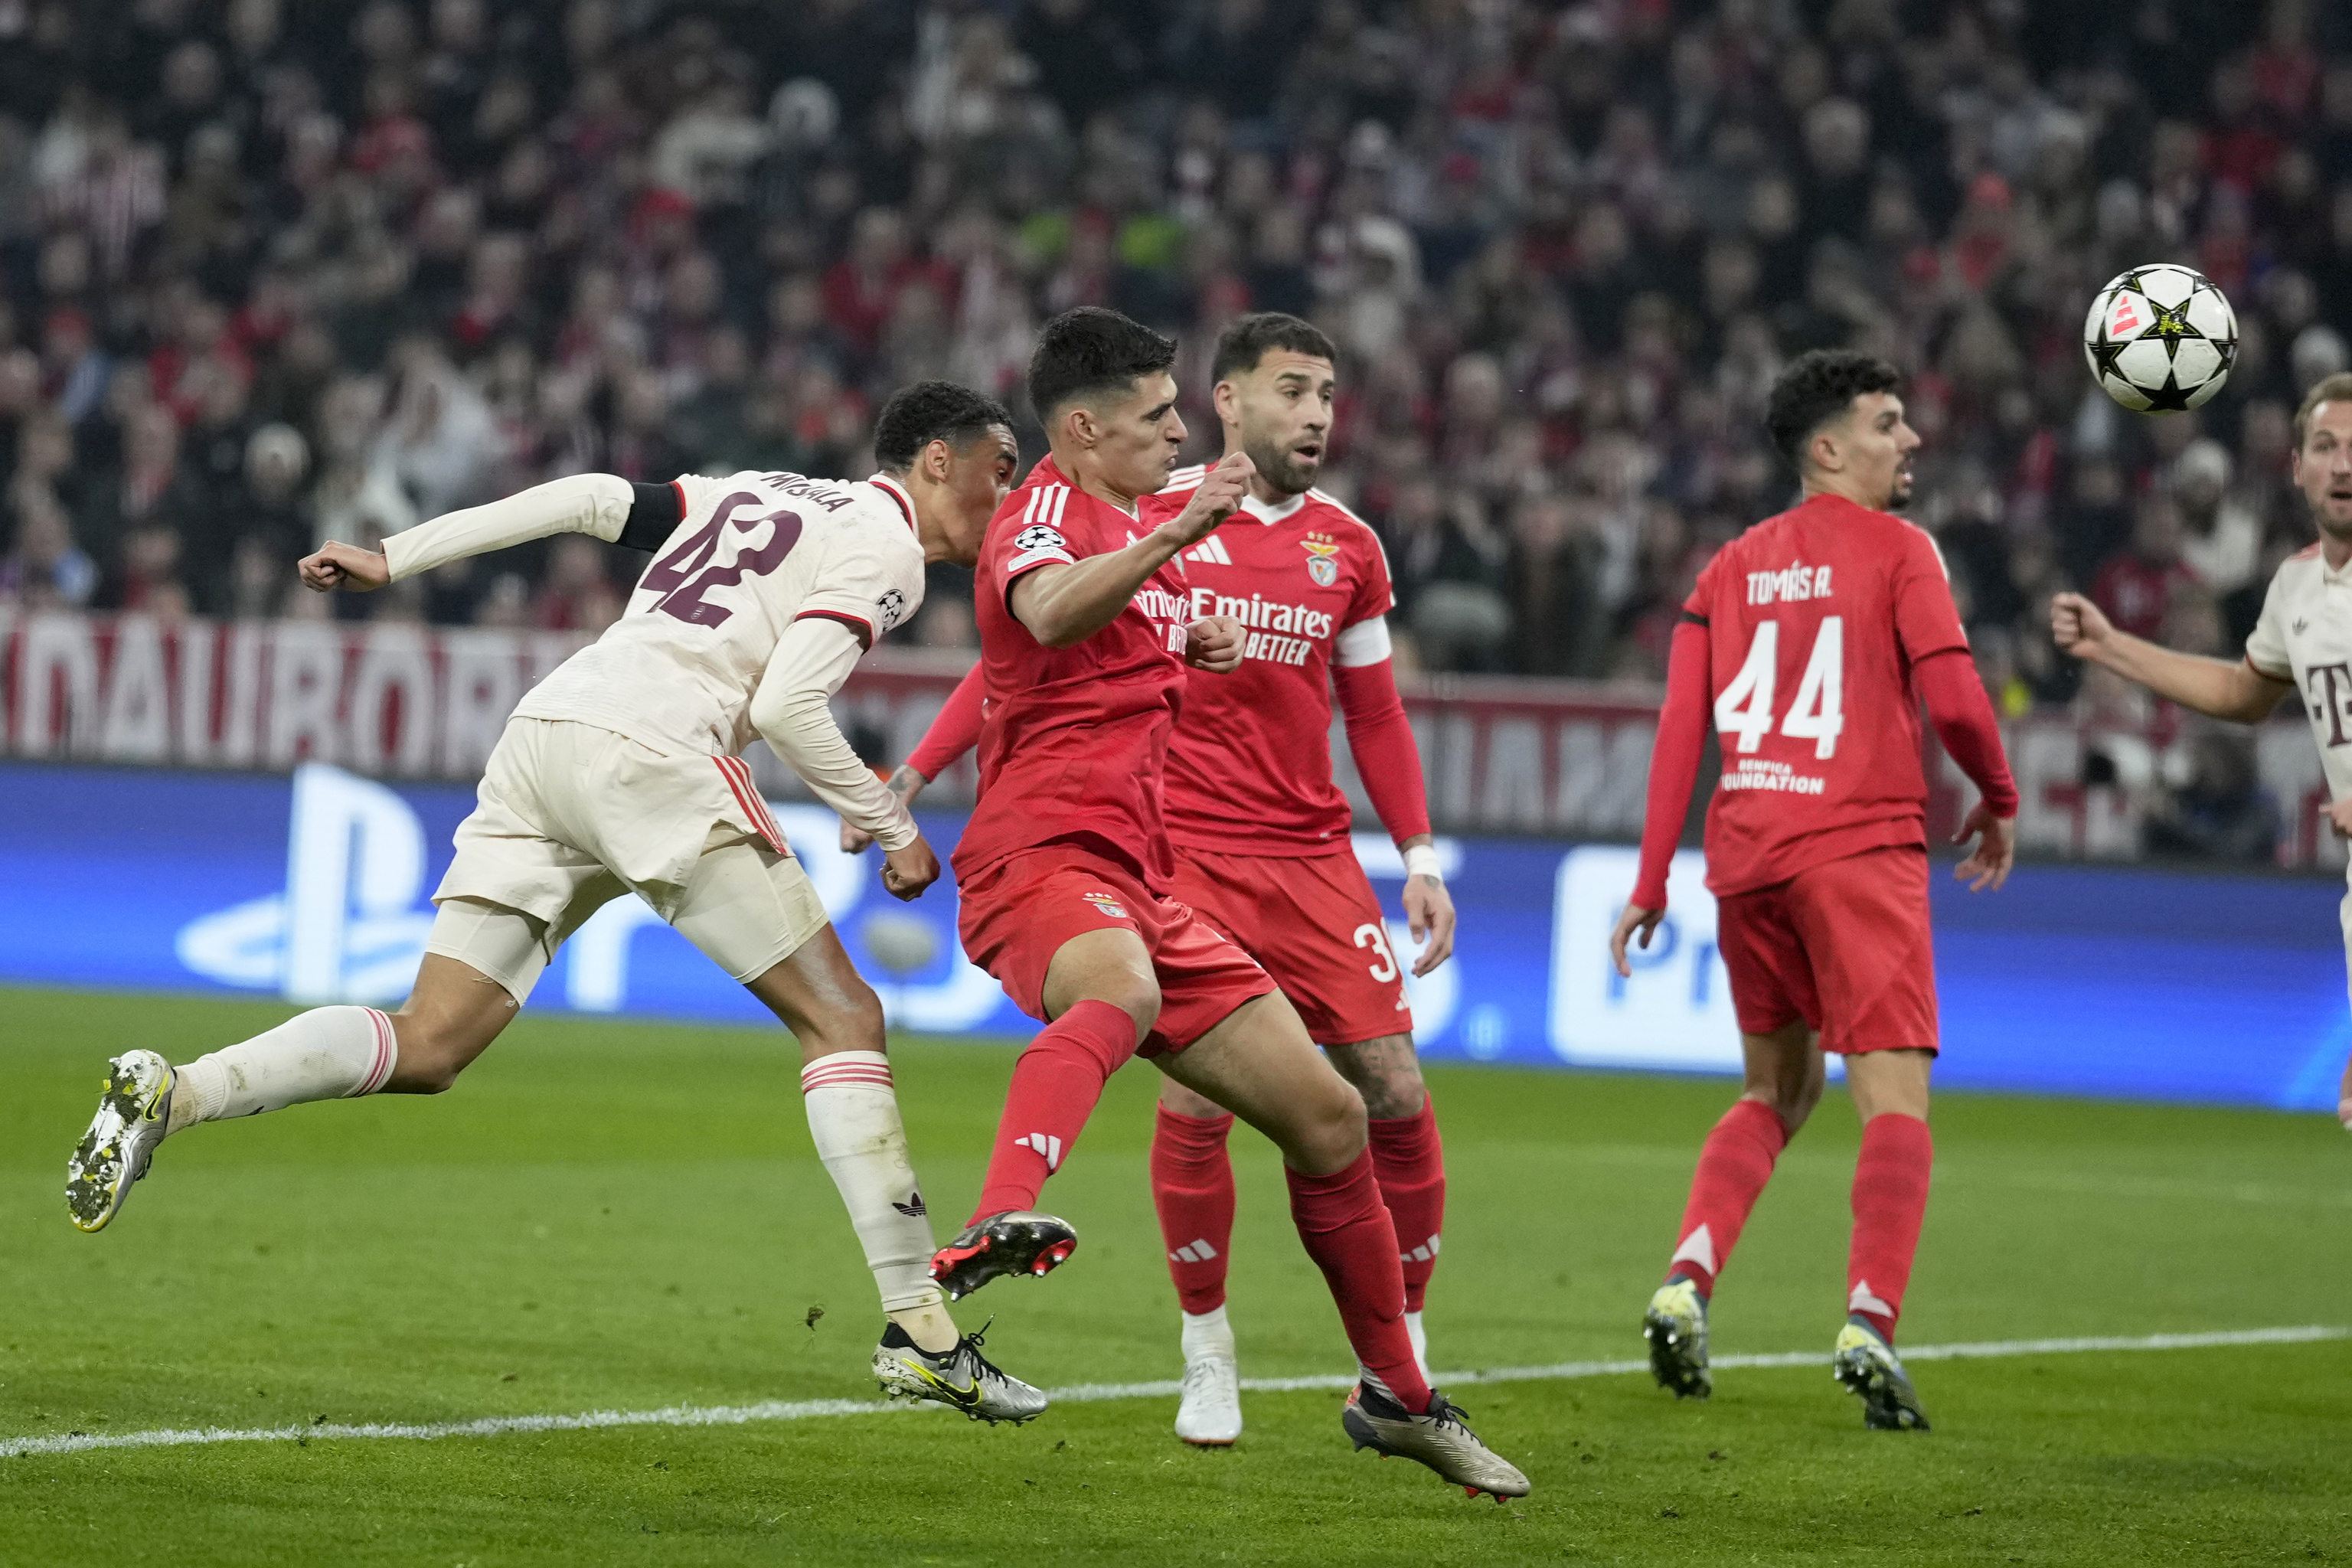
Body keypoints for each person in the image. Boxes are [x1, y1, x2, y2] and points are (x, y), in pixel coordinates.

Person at [63, 381, 1050, 1424]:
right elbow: (786, 706)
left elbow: (586, 498)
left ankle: (173, 1092)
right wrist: (894, 826)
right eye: (1001, 470)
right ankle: (921, 1333)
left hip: (552, 730)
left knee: (432, 1042)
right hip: (660, 752)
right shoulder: (887, 546)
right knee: (845, 1018)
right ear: (935, 460)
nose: (1011, 496)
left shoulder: (758, 489)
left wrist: (395, 555)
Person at [918, 305, 1527, 1498]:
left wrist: (1180, 632)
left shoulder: (1266, 537)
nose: (1177, 431)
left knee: (1336, 1115)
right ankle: (999, 1226)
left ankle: (1400, 1394)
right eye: (1157, 417)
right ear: (1087, 429)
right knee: (1127, 997)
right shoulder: (1051, 508)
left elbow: (1096, 647)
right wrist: (908, 782)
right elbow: (1039, 615)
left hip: (1165, 876)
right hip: (1043, 860)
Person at [1609, 349, 2019, 1432]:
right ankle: (1871, 1320)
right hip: (1858, 851)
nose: (1912, 439)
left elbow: (1679, 731)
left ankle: (1686, 1281)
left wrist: (1652, 880)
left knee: (1776, 1095)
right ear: (1827, 450)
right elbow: (1959, 699)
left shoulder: (1729, 566)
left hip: (1747, 860)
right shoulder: (1900, 549)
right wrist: (1999, 792)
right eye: (1890, 423)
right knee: (1894, 1100)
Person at [2053, 370, 2352, 1132]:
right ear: (2296, 467)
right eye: (2326, 445)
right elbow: (2242, 694)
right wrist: (2116, 646)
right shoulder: (2295, 587)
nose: (2344, 464)